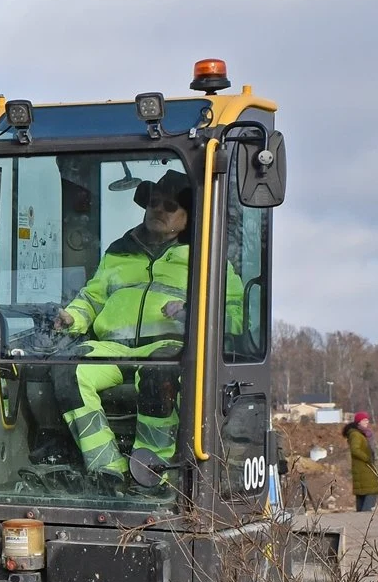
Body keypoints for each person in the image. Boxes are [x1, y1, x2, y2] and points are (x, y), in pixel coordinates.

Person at [52, 170, 244, 487]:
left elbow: (235, 315)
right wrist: (73, 318)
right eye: (154, 202)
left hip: (166, 346)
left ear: (188, 216)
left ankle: (152, 475)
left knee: (159, 371)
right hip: (114, 347)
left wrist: (190, 313)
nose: (158, 210)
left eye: (170, 206)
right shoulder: (118, 251)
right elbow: (92, 298)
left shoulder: (208, 259)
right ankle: (107, 469)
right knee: (67, 371)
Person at [343, 411, 378, 512]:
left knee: (363, 495)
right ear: (359, 422)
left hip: (364, 469)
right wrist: (367, 458)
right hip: (363, 469)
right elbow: (355, 449)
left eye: (367, 419)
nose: (367, 421)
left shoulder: (362, 434)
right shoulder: (356, 435)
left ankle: (361, 517)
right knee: (370, 493)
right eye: (364, 420)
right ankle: (364, 517)